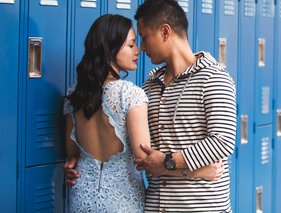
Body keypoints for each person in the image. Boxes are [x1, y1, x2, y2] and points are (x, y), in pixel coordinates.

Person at [62, 14, 223, 212]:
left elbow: (72, 156)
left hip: (81, 197)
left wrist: (71, 169)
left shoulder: (73, 94)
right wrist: (198, 172)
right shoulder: (130, 94)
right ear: (110, 49)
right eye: (131, 45)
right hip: (121, 201)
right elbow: (145, 160)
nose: (138, 50)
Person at [133, 0, 237, 212]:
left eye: (144, 37)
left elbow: (222, 141)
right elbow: (143, 152)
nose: (141, 47)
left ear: (165, 31)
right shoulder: (150, 84)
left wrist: (167, 162)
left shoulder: (213, 78)